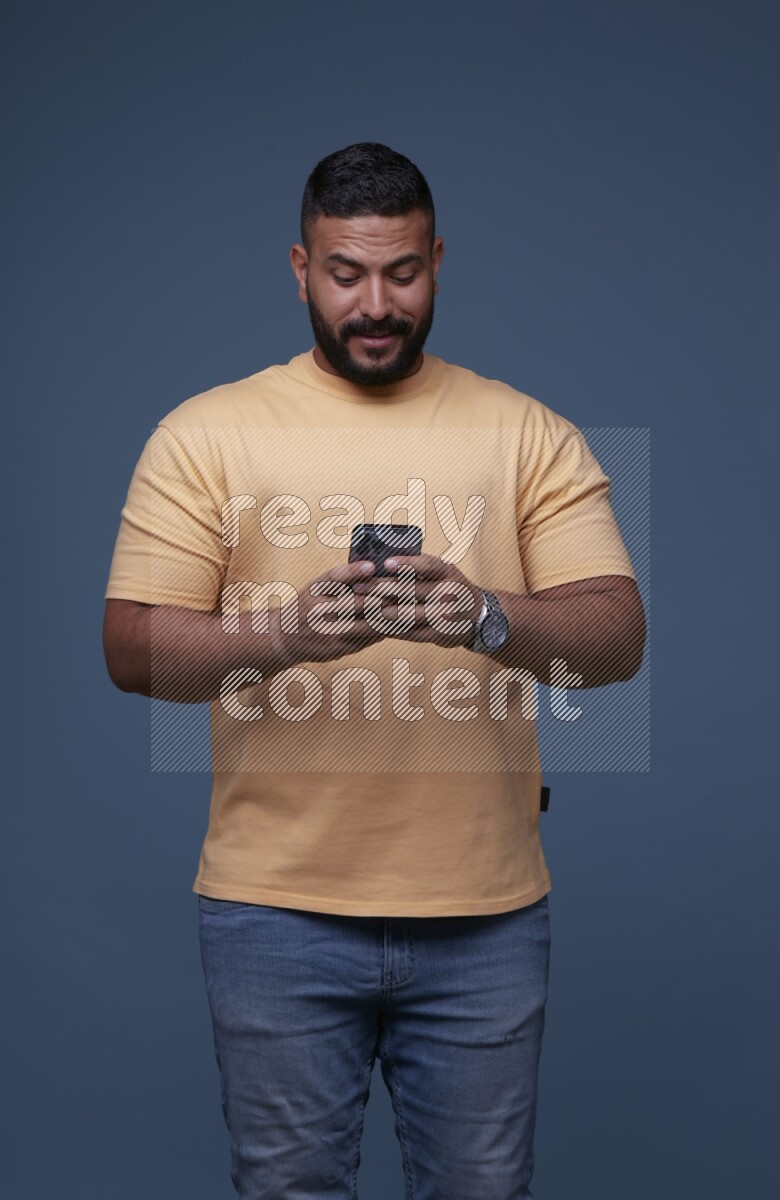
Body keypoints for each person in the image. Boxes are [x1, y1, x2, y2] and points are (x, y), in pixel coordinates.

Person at [103, 142, 646, 1199]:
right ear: (299, 268)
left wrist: (486, 619)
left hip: (486, 915)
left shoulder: (525, 432)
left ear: (436, 260)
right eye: (345, 273)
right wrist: (279, 639)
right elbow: (131, 648)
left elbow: (615, 637)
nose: (375, 303)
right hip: (271, 913)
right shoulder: (205, 435)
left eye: (401, 271)